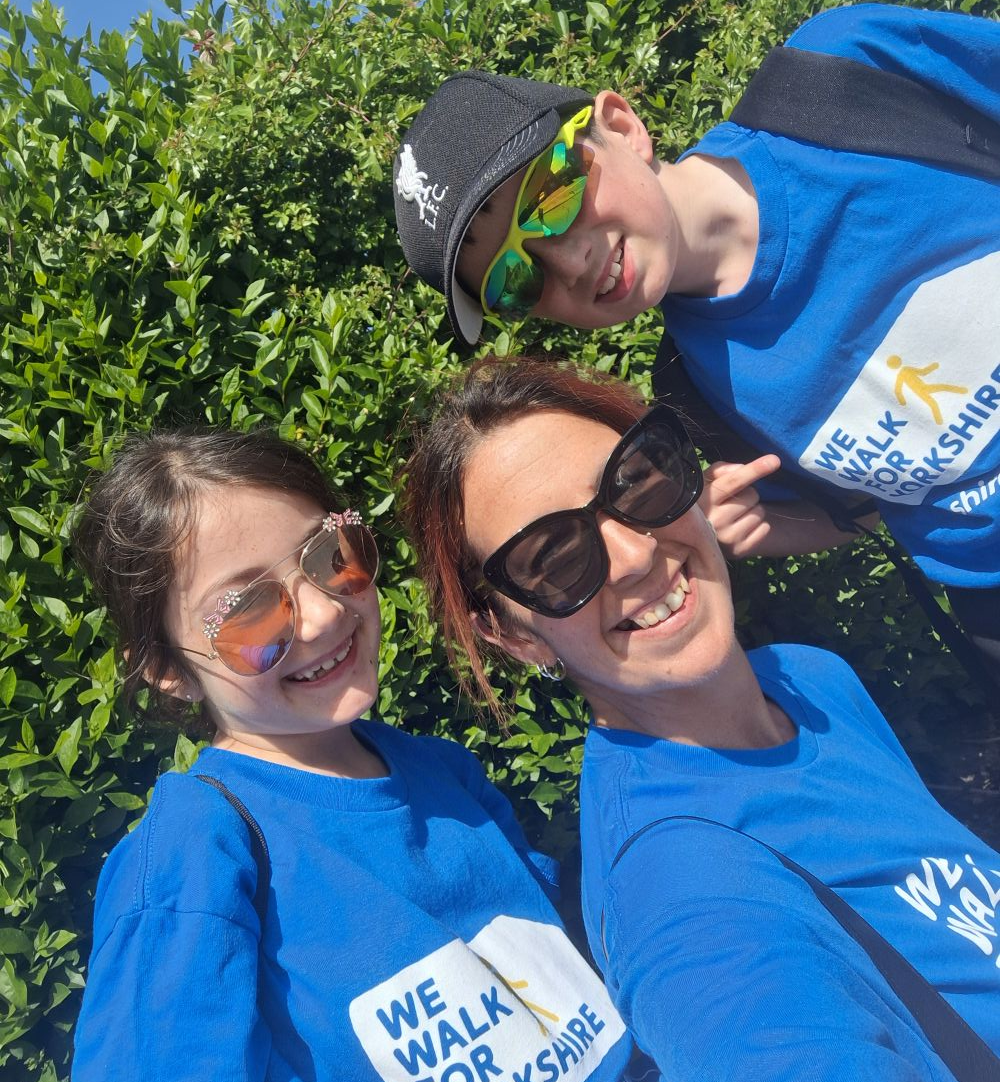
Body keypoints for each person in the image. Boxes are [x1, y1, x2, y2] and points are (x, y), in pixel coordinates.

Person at [402, 356, 1000, 1080]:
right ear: (513, 635)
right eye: (553, 558)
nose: (634, 554)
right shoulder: (682, 901)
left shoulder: (808, 679)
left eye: (635, 482)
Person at [392, 2, 1000, 669]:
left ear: (621, 126)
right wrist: (754, 529)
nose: (568, 262)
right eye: (517, 279)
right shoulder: (697, 391)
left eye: (552, 198)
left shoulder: (842, 76)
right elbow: (868, 508)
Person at [69, 426, 634, 1081]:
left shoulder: (442, 770)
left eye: (329, 554)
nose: (323, 614)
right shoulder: (195, 848)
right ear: (169, 671)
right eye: (247, 610)